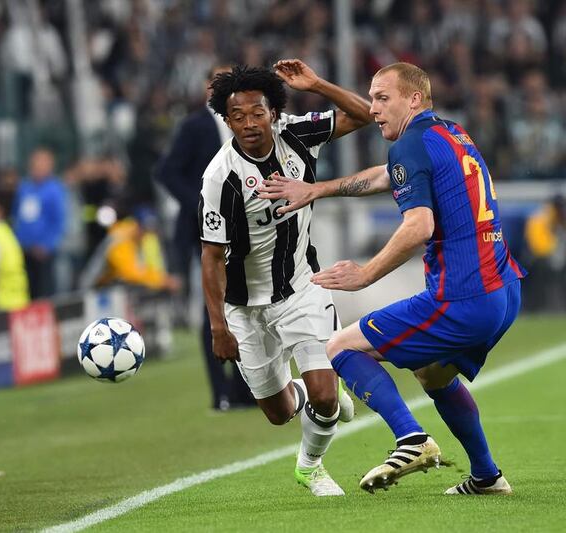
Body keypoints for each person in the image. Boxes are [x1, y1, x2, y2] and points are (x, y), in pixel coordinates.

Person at [259, 62, 526, 495]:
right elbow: (386, 177)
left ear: (414, 98)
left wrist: (365, 274)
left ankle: (411, 438)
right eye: (372, 97)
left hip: (463, 296)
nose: (373, 108)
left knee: (339, 347)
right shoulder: (449, 133)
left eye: (383, 98)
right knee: (433, 374)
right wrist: (316, 188)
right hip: (504, 289)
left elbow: (418, 226)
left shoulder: (409, 146)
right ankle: (486, 476)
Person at [200, 62, 371, 496]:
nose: (249, 124)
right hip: (243, 307)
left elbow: (366, 114)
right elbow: (212, 256)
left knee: (327, 398)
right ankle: (302, 390)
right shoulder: (221, 178)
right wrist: (218, 327)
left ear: (273, 112)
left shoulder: (296, 133)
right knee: (278, 413)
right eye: (237, 116)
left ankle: (311, 466)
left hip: (301, 288)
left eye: (257, 113)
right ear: (226, 119)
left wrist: (316, 84)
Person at [155, 65, 255, 412]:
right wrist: (200, 204)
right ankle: (221, 393)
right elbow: (166, 171)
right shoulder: (196, 126)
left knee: (248, 304)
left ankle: (246, 389)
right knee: (211, 307)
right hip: (203, 234)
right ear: (207, 89)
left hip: (247, 230)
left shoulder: (250, 124)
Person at [13, 147, 68, 299]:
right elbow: (17, 215)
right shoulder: (25, 187)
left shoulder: (54, 189)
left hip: (43, 252)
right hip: (24, 249)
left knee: (44, 291)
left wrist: (47, 244)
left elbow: (58, 221)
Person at [524, 194, 566, 311]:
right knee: (541, 270)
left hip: (552, 258)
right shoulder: (541, 218)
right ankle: (540, 306)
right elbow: (538, 247)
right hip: (538, 259)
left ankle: (556, 305)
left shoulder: (558, 220)